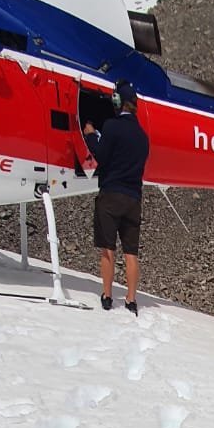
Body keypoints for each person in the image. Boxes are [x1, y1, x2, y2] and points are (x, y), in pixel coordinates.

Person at [83, 80, 149, 313]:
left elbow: (101, 155)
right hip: (134, 200)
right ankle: (131, 299)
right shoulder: (143, 136)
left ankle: (108, 295)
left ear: (117, 101)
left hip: (111, 194)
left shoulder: (111, 126)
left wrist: (91, 136)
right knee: (131, 253)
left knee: (107, 248)